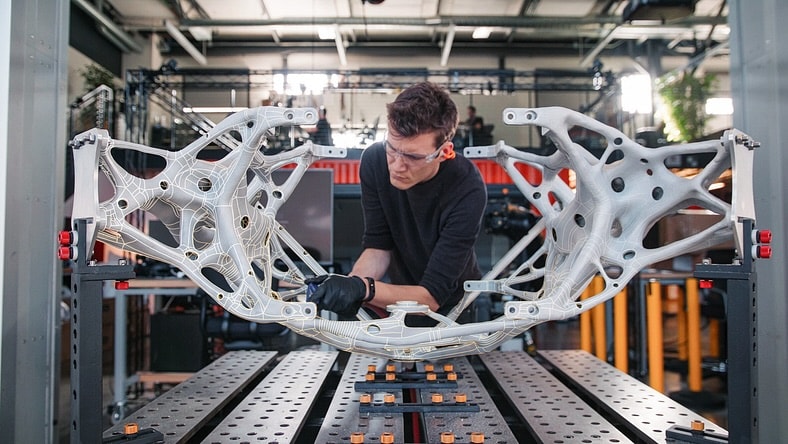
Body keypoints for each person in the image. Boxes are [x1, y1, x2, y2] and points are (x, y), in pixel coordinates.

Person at [306, 82, 488, 326]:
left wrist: (364, 289)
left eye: (413, 156)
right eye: (392, 148)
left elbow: (431, 297)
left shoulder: (467, 186)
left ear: (444, 152)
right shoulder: (375, 161)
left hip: (453, 311)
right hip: (397, 299)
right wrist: (349, 286)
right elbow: (378, 246)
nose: (397, 166)